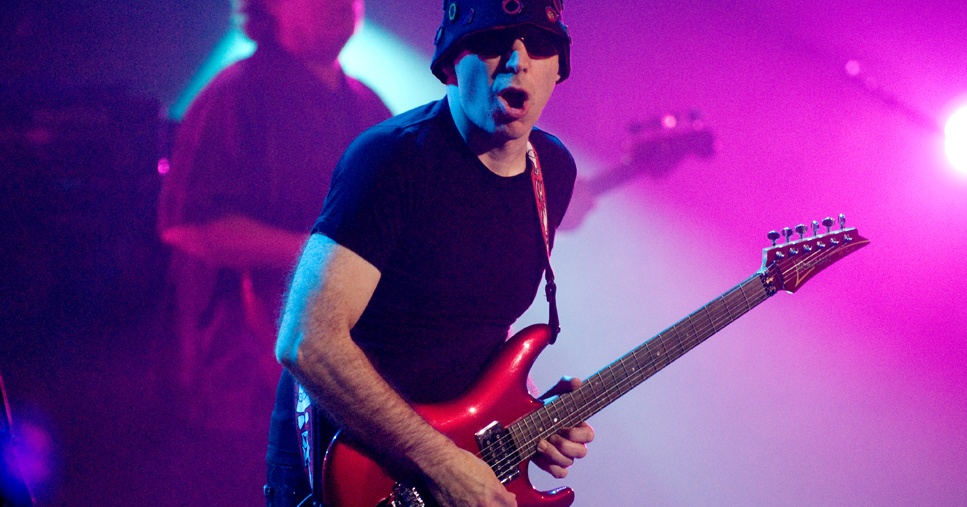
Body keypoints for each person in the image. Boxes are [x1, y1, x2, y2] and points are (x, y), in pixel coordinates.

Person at [273, 0, 594, 505]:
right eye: (493, 42)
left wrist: (525, 418)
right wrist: (441, 461)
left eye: (538, 45)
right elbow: (306, 341)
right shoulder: (392, 159)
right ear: (450, 64)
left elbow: (468, 330)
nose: (518, 62)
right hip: (353, 471)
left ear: (559, 70)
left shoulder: (552, 170)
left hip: (448, 457)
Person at [156, 0, 390, 503]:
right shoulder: (233, 95)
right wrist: (317, 254)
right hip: (243, 383)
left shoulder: (367, 104)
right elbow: (187, 225)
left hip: (345, 381)